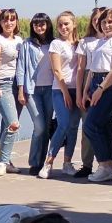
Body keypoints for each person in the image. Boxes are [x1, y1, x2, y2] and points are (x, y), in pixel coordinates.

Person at [82, 8, 112, 182]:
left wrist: (101, 88)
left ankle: (103, 164)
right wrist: (86, 90)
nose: (106, 25)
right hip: (96, 80)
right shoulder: (101, 41)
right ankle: (108, 166)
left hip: (109, 84)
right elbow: (92, 68)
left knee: (91, 125)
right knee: (104, 125)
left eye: (110, 21)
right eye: (103, 22)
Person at [16, 13, 55, 178]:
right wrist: (20, 89)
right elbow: (21, 67)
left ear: (47, 25)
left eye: (43, 24)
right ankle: (33, 162)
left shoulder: (54, 43)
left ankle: (42, 163)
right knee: (39, 126)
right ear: (32, 27)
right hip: (32, 90)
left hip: (52, 89)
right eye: (36, 24)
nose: (40, 27)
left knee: (46, 127)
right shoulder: (27, 44)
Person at [0, 8, 24, 176]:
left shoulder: (19, 40)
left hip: (18, 84)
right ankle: (2, 163)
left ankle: (6, 161)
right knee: (13, 124)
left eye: (12, 19)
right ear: (0, 22)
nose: (9, 23)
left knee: (5, 125)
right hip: (3, 83)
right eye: (5, 20)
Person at [46, 11, 81, 177]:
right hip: (60, 89)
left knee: (73, 128)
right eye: (60, 24)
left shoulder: (79, 44)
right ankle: (49, 162)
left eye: (66, 24)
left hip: (77, 89)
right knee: (64, 124)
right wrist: (66, 92)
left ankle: (67, 162)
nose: (63, 27)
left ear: (74, 24)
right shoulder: (56, 44)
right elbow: (57, 71)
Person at [72, 9, 105, 177]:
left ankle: (105, 164)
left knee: (104, 125)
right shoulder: (86, 42)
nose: (98, 22)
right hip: (88, 80)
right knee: (87, 125)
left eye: (102, 19)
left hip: (107, 81)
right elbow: (80, 68)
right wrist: (79, 93)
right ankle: (87, 164)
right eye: (95, 19)